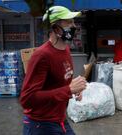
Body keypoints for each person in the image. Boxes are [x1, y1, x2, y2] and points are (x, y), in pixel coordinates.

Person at [20, 6, 87, 135]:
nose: (74, 26)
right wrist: (68, 90)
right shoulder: (42, 55)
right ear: (56, 28)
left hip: (59, 119)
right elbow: (27, 99)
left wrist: (73, 89)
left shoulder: (65, 50)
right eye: (69, 22)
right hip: (40, 124)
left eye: (73, 22)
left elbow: (57, 80)